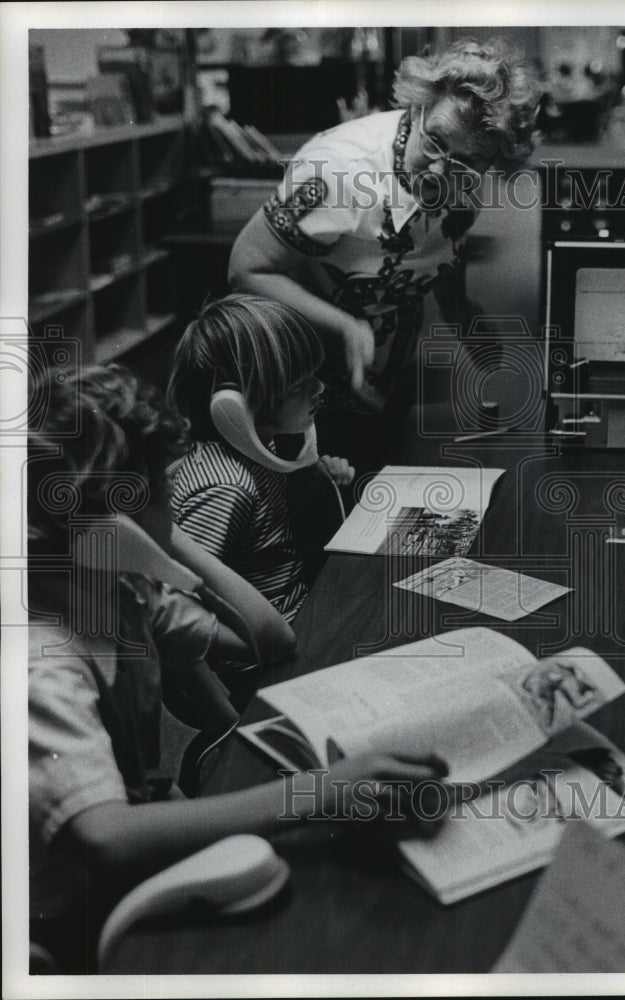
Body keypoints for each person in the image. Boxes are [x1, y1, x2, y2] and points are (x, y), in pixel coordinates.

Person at [27, 364, 447, 973]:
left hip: (133, 856)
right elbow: (108, 836)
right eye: (164, 492)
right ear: (103, 530)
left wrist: (169, 548)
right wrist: (321, 790)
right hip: (76, 917)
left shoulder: (124, 597)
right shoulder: (44, 668)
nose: (177, 505)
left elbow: (267, 639)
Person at [227, 36, 541, 465]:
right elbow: (246, 269)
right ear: (418, 108)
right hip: (298, 379)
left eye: (467, 163)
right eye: (435, 142)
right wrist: (346, 325)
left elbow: (439, 256)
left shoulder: (464, 186)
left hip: (383, 371)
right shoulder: (336, 171)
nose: (439, 170)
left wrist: (463, 315)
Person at [168, 295, 355, 624]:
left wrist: (316, 475)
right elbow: (185, 603)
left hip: (300, 608)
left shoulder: (258, 448)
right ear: (235, 404)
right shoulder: (225, 489)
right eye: (300, 384)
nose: (319, 387)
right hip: (271, 648)